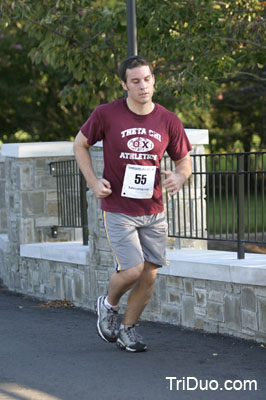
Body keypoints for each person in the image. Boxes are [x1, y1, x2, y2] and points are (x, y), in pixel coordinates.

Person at [73, 55, 192, 352]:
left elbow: (184, 162)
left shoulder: (168, 120)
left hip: (153, 211)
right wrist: (92, 181)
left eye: (147, 79)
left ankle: (129, 329)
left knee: (149, 276)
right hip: (118, 209)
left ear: (154, 79)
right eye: (135, 81)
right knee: (132, 269)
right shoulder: (106, 114)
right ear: (124, 84)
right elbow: (80, 144)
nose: (143, 86)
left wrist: (180, 177)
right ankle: (109, 304)